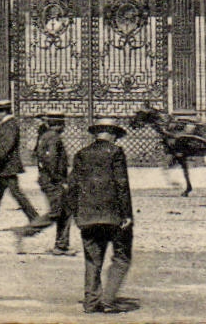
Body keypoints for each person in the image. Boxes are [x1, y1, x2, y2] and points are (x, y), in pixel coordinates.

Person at [67, 117, 134, 314]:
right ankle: (108, 301)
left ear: (97, 133)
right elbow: (121, 184)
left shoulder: (81, 153)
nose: (116, 139)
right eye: (116, 135)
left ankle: (91, 302)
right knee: (121, 257)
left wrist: (76, 213)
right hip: (113, 215)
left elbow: (72, 186)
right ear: (111, 134)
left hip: (87, 216)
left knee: (92, 260)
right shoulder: (115, 152)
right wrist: (127, 214)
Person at [0, 99, 40, 232]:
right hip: (5, 166)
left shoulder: (10, 125)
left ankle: (35, 219)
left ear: (4, 112)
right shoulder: (7, 124)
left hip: (8, 166)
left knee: (15, 194)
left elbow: (6, 146)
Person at [27, 114, 74, 255]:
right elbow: (51, 161)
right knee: (57, 212)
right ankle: (26, 231)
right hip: (53, 181)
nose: (64, 126)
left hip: (48, 179)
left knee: (65, 211)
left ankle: (61, 245)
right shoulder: (54, 138)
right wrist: (60, 180)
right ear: (59, 125)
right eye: (63, 123)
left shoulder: (46, 136)